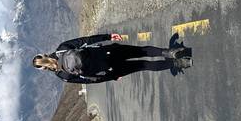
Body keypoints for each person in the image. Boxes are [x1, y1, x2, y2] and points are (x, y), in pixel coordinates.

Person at [32, 33, 192, 84]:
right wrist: (108, 36)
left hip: (107, 68)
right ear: (44, 55)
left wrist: (112, 76)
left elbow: (89, 80)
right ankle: (171, 52)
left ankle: (179, 63)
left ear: (44, 68)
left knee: (143, 65)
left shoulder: (63, 76)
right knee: (142, 51)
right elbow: (85, 41)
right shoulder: (62, 49)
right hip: (107, 52)